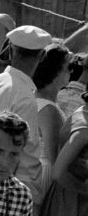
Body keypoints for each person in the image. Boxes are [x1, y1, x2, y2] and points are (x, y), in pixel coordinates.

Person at [0, 25, 53, 208]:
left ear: (12, 50)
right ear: (41, 57)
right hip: (7, 199)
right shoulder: (24, 96)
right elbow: (23, 158)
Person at [32, 43, 72, 195]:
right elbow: (55, 157)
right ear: (56, 71)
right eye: (69, 67)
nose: (72, 71)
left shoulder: (34, 99)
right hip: (45, 178)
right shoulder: (49, 110)